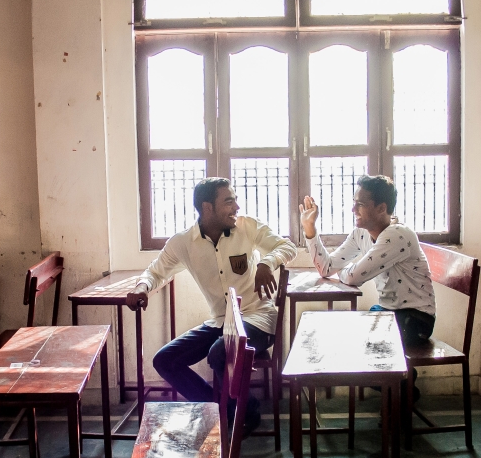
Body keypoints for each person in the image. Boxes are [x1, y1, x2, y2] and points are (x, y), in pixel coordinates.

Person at [126, 177, 296, 435]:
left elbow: (287, 246)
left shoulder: (247, 227)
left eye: (235, 200)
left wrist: (266, 263)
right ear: (207, 208)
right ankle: (219, 408)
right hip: (220, 322)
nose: (236, 207)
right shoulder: (183, 243)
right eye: (229, 201)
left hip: (258, 319)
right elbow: (155, 272)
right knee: (165, 361)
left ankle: (240, 416)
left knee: (220, 352)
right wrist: (142, 288)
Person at [300, 175, 435, 400]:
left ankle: (403, 388)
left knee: (360, 350)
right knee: (349, 342)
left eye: (360, 204)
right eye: (354, 202)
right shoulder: (361, 234)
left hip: (416, 318)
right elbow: (326, 268)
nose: (353, 208)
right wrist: (310, 229)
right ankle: (404, 387)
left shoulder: (397, 235)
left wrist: (348, 272)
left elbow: (353, 277)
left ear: (382, 208)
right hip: (388, 314)